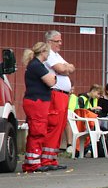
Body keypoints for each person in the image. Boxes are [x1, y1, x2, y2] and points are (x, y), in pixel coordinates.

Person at [21, 42, 57, 172]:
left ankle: (33, 161)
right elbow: (50, 81)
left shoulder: (34, 65)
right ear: (43, 52)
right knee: (38, 131)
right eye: (48, 52)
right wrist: (55, 78)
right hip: (37, 102)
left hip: (35, 101)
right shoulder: (37, 65)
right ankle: (33, 163)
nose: (48, 55)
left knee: (36, 130)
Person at [44, 30, 74, 170]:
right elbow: (60, 69)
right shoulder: (48, 54)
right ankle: (47, 159)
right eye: (57, 41)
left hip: (62, 95)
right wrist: (65, 68)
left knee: (60, 126)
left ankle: (52, 159)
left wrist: (65, 68)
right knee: (54, 125)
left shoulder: (56, 55)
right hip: (56, 94)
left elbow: (70, 68)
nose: (60, 44)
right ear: (49, 42)